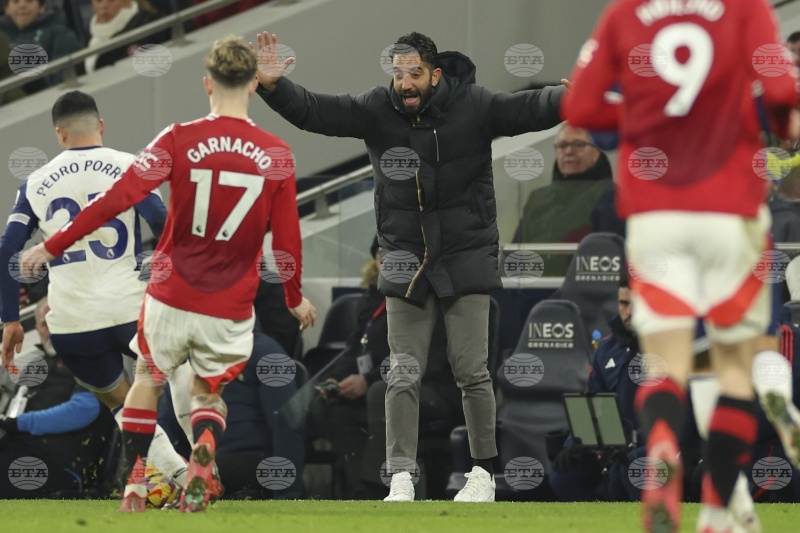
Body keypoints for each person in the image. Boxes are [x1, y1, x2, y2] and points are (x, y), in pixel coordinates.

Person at [253, 29, 565, 503]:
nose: (404, 84)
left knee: (472, 371)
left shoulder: (474, 104)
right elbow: (316, 112)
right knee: (400, 371)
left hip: (465, 255)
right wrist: (275, 87)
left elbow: (526, 108)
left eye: (413, 74)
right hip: (405, 260)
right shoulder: (376, 108)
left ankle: (482, 474)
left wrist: (568, 98)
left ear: (435, 75)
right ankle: (400, 476)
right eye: (397, 74)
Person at [19, 36, 316, 513]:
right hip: (230, 301)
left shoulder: (177, 138)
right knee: (206, 391)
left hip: (172, 291)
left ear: (207, 84)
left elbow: (118, 198)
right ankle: (203, 459)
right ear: (253, 85)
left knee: (145, 379)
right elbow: (286, 239)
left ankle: (136, 484)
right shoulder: (277, 153)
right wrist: (294, 297)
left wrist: (52, 245)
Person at [563, 1, 798, 532]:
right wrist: (775, 123)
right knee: (734, 366)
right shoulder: (745, 9)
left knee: (667, 364)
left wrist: (640, 124)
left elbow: (581, 105)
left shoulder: (626, 12)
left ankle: (663, 448)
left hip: (657, 218)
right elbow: (782, 93)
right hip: (730, 214)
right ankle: (721, 502)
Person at [0, 90, 196, 496]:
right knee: (181, 370)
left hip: (71, 323)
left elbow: (7, 250)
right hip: (130, 310)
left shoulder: (34, 183)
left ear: (60, 134)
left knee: (122, 404)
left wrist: (10, 320)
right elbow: (164, 226)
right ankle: (202, 467)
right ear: (101, 125)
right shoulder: (131, 167)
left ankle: (176, 476)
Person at [309, 236, 462, 499]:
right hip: (382, 386)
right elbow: (355, 350)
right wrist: (334, 379)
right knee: (329, 406)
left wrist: (367, 380)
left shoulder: (434, 298)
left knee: (381, 392)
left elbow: (430, 360)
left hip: (436, 389)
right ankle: (360, 491)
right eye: (382, 256)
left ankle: (379, 486)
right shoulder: (374, 301)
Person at [0, 298, 117, 498]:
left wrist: (19, 423)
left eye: (56, 321)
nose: (51, 330)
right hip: (18, 447)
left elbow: (83, 410)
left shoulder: (90, 358)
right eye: (44, 325)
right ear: (37, 329)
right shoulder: (36, 365)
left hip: (59, 462)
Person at [514, 123, 624, 248]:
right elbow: (513, 252)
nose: (569, 151)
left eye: (578, 144)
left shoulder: (612, 196)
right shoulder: (537, 198)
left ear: (597, 152)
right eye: (562, 145)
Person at [0, 0, 80, 92]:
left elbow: (62, 78)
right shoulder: (1, 35)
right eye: (16, 1)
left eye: (29, 1)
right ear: (7, 9)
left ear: (41, 7)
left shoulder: (60, 34)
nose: (22, 6)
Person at [84, 0, 167, 74]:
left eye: (111, 0)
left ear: (127, 1)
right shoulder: (89, 34)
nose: (104, 6)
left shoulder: (149, 23)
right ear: (92, 6)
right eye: (99, 1)